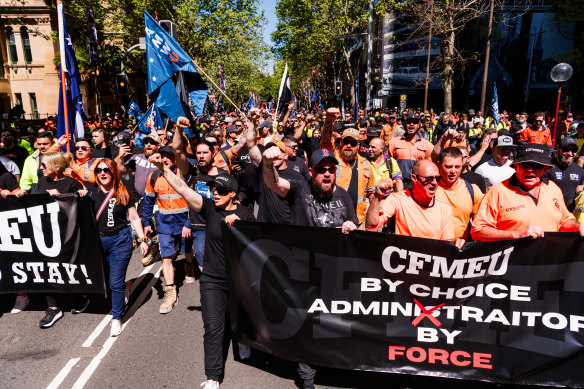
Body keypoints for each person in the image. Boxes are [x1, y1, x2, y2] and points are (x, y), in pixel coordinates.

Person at [149, 153, 255, 389]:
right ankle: (213, 376)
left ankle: (242, 339)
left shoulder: (247, 213)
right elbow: (184, 190)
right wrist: (164, 170)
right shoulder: (209, 209)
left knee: (242, 319)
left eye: (219, 190)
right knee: (213, 327)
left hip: (239, 280)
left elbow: (257, 242)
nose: (214, 193)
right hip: (213, 279)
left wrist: (243, 223)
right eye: (213, 189)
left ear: (233, 194)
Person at [262, 147, 357, 389]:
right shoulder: (299, 189)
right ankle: (307, 378)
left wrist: (350, 225)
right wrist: (267, 162)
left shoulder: (344, 196)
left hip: (334, 275)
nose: (327, 174)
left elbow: (355, 231)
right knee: (305, 325)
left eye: (331, 170)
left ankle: (332, 366)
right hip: (303, 272)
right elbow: (274, 183)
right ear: (311, 171)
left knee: (331, 323)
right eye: (321, 170)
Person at [84, 158, 149, 336]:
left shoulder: (124, 192)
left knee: (114, 283)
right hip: (98, 243)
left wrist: (142, 238)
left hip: (120, 241)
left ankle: (116, 318)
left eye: (107, 170)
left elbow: (134, 218)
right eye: (99, 170)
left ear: (114, 172)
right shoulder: (89, 192)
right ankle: (126, 285)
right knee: (105, 280)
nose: (103, 173)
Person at [472, 143, 584, 241]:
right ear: (516, 166)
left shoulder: (553, 188)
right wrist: (515, 234)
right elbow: (478, 231)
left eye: (537, 166)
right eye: (525, 164)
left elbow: (564, 221)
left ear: (546, 169)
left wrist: (577, 227)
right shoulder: (497, 191)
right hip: (515, 263)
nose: (530, 170)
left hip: (549, 261)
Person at [27, 152, 85, 328]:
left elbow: (80, 209)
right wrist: (19, 194)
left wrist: (61, 196)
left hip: (67, 235)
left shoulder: (72, 183)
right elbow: (32, 203)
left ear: (57, 167)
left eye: (44, 165)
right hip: (45, 235)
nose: (41, 168)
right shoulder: (41, 182)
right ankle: (52, 307)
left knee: (70, 267)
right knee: (47, 269)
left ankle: (80, 297)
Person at [143, 146, 193, 314]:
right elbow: (148, 201)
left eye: (168, 156)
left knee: (187, 249)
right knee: (166, 257)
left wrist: (189, 222)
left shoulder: (184, 174)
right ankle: (170, 293)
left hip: (184, 222)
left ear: (175, 158)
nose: (164, 159)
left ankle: (188, 265)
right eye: (161, 156)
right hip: (164, 224)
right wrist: (146, 222)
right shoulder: (153, 177)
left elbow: (194, 200)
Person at [173, 117, 225, 273]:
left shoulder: (224, 176)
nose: (201, 156)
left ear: (213, 153)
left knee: (223, 260)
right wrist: (178, 129)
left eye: (205, 153)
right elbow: (176, 150)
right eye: (198, 153)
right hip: (200, 227)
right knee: (203, 259)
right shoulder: (192, 173)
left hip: (220, 224)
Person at [365, 159, 455, 243]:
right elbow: (371, 227)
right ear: (414, 178)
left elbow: (446, 246)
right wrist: (377, 196)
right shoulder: (398, 199)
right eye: (429, 179)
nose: (434, 183)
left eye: (437, 179)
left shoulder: (445, 209)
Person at [320, 108, 376, 226]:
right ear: (340, 143)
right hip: (333, 219)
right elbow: (325, 140)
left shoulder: (366, 164)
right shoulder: (333, 157)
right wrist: (329, 119)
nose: (349, 146)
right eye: (346, 142)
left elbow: (371, 193)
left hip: (358, 221)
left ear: (358, 145)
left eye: (353, 143)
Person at [435, 147, 484, 242]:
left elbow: (479, 225)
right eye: (448, 166)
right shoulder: (431, 189)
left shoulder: (472, 190)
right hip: (435, 248)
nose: (453, 171)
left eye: (457, 167)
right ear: (439, 165)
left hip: (461, 249)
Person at [387, 112, 434, 187]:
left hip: (418, 185)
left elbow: (429, 168)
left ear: (419, 125)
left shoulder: (428, 146)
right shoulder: (393, 143)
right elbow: (387, 165)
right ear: (404, 125)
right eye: (408, 122)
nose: (411, 124)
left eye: (415, 122)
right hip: (398, 185)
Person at [544, 137, 584, 211]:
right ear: (558, 149)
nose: (570, 153)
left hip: (570, 214)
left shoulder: (579, 170)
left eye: (573, 150)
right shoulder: (547, 167)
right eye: (566, 150)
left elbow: (579, 194)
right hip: (550, 210)